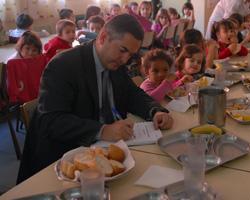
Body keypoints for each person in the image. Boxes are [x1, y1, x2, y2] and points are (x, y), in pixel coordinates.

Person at [17, 14, 173, 183]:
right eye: (123, 50)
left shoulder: (115, 62)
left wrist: (155, 111)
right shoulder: (63, 66)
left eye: (131, 55)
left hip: (108, 153)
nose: (125, 59)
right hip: (65, 163)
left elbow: (132, 94)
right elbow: (52, 120)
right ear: (103, 37)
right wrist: (102, 130)